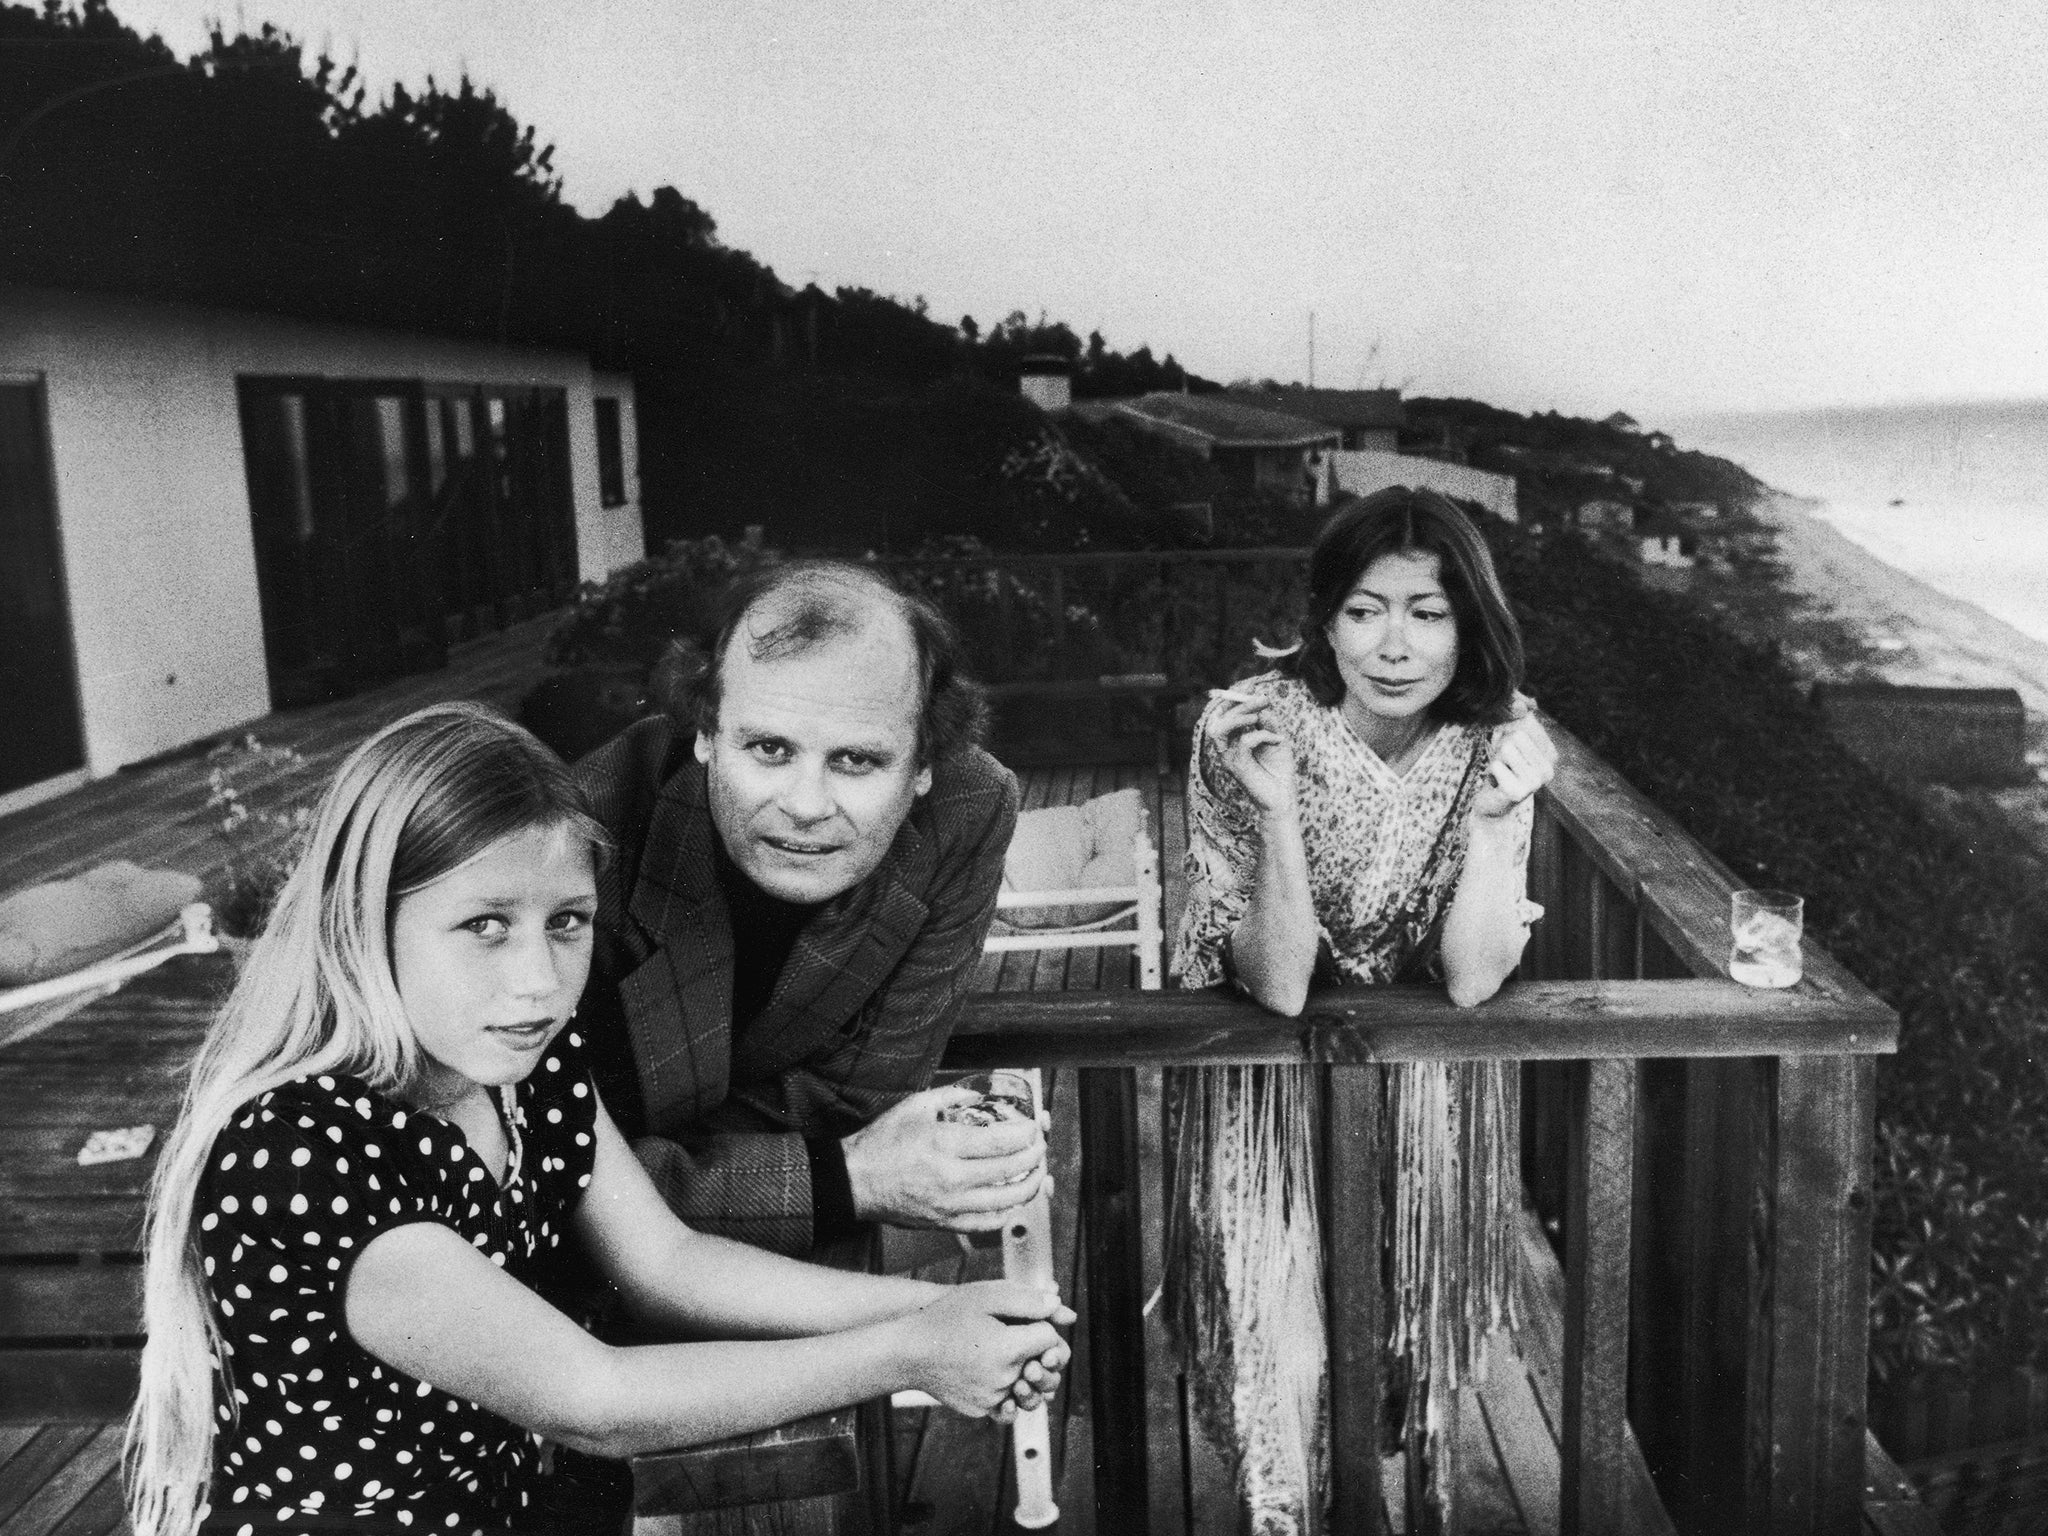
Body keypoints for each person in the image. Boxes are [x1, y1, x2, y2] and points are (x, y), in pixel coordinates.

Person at [125, 704, 1069, 1536]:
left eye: (567, 922)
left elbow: (667, 1264)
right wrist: (911, 1350)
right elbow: (592, 1397)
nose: (538, 982)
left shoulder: (516, 1069)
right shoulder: (302, 1153)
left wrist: (949, 1313)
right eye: (484, 925)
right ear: (362, 921)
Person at [1167, 487, 1557, 1535]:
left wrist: (1490, 823)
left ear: (1467, 623)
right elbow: (1279, 983)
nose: (1392, 645)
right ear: (1323, 617)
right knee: (1281, 1354)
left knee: (1403, 1357)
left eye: (1425, 612)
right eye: (1362, 609)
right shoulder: (1244, 726)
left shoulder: (1497, 738)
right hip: (1269, 1090)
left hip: (1421, 1097)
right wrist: (1277, 817)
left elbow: (1474, 978)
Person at [572, 560, 1034, 1259]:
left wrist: (786, 1175)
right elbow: (549, 1172)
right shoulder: (583, 838)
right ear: (704, 733)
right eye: (768, 749)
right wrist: (842, 1175)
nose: (807, 805)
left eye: (856, 761)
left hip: (800, 1259)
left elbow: (860, 1097)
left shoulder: (968, 809)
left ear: (925, 768)